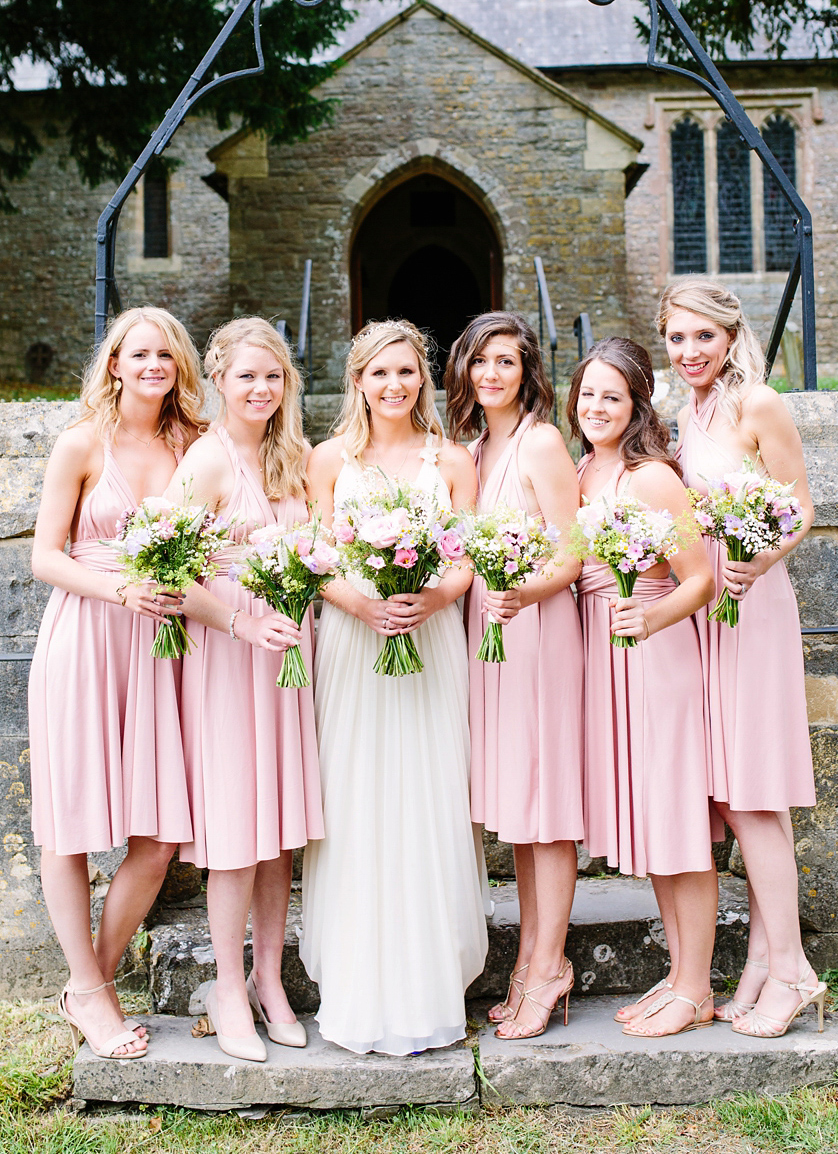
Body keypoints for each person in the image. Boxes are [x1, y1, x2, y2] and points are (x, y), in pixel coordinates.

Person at [300, 319, 487, 1055]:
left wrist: (434, 599)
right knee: (357, 798)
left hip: (432, 641)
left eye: (406, 373)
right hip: (353, 643)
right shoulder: (326, 461)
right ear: (357, 381)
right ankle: (358, 981)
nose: (393, 386)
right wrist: (364, 605)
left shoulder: (454, 461)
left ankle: (429, 980)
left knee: (429, 794)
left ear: (425, 380)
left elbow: (465, 559)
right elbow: (318, 557)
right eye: (379, 374)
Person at [29, 307, 205, 1061]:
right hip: (87, 638)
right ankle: (93, 994)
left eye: (167, 355)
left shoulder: (193, 447)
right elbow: (46, 556)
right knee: (68, 822)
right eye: (140, 354)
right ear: (114, 364)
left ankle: (88, 983)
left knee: (160, 834)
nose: (154, 365)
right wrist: (117, 591)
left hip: (162, 650)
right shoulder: (80, 446)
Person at [659, 276, 824, 1039]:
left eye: (702, 337)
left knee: (756, 792)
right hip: (708, 616)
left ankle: (793, 972)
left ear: (730, 338)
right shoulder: (684, 414)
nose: (689, 350)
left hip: (753, 608)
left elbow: (800, 506)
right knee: (740, 794)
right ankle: (762, 959)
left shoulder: (758, 403)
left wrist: (759, 561)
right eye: (676, 337)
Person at [166, 318, 323, 1063]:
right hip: (230, 661)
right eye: (246, 377)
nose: (261, 389)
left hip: (289, 660)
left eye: (273, 377)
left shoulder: (292, 460)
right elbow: (166, 569)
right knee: (234, 834)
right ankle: (228, 985)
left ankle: (269, 978)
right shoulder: (207, 461)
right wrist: (238, 623)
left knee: (279, 832)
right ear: (219, 381)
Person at [567, 337, 718, 1038]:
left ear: (635, 407)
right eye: (588, 393)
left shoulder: (651, 477)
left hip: (656, 657)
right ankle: (680, 974)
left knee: (678, 822)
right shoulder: (579, 472)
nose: (596, 407)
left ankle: (696, 988)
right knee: (655, 821)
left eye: (611, 396)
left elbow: (700, 578)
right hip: (606, 659)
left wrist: (650, 615)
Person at [445, 312, 583, 1041]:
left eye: (507, 361)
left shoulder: (541, 442)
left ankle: (548, 965)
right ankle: (531, 959)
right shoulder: (473, 452)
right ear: (465, 371)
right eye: (480, 361)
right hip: (489, 638)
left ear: (527, 372)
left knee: (547, 804)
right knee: (521, 812)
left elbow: (574, 553)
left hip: (537, 634)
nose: (492, 373)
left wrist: (526, 592)